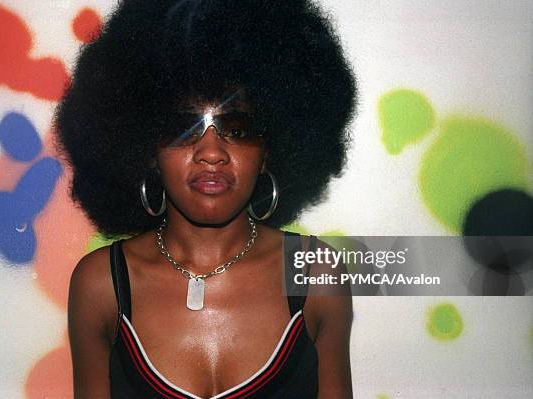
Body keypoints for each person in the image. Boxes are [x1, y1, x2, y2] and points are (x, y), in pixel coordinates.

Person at [55, 0, 357, 397]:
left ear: (271, 149)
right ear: (145, 147)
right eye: (184, 127)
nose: (211, 153)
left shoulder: (317, 277)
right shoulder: (101, 286)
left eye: (236, 128)